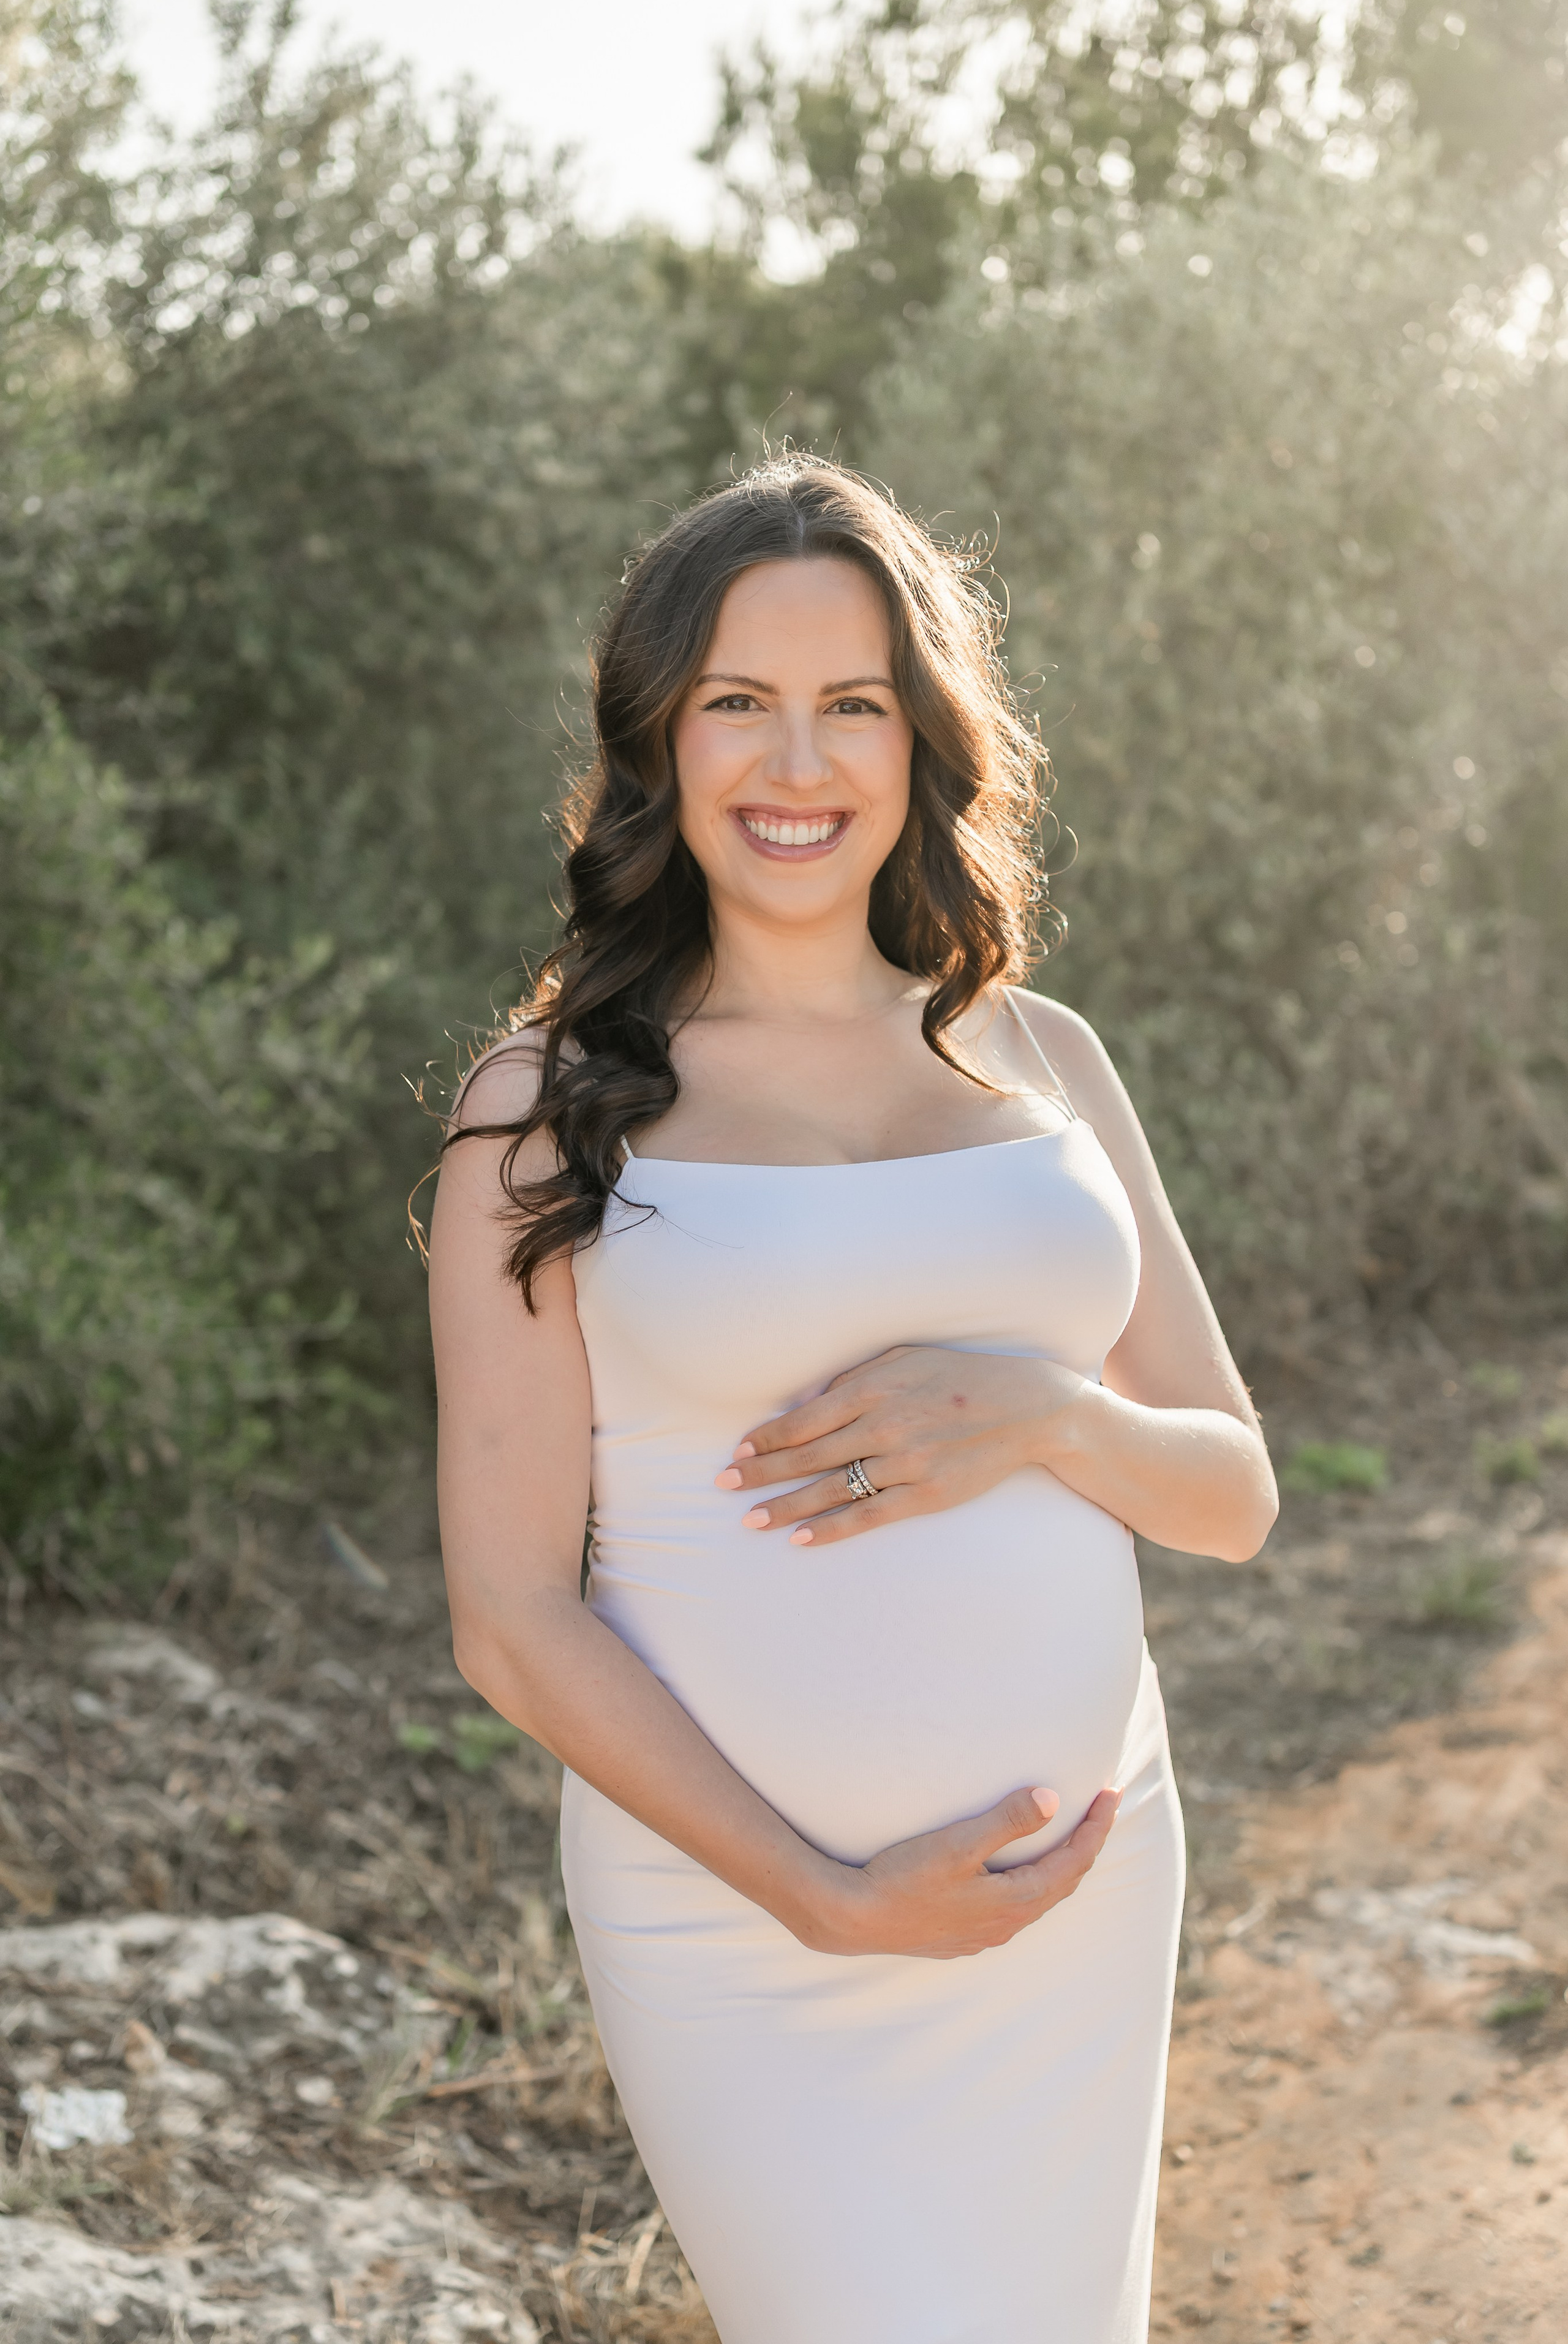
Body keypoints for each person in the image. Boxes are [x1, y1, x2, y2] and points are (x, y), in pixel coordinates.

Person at [428, 455, 1278, 2344]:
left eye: (851, 704)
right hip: (746, 1933)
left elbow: (1232, 1492)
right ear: (662, 738)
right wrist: (820, 1891)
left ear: (918, 743)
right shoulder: (550, 1099)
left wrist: (1044, 1410)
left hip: (1079, 1886)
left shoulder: (1039, 1054)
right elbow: (509, 1613)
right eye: (738, 701)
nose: (793, 762)